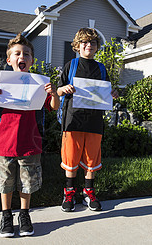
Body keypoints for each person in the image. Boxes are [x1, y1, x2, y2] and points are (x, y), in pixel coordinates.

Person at [0, 33, 60, 238]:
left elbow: (52, 107)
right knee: (5, 182)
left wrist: (54, 94)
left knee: (27, 182)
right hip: (3, 143)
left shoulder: (38, 84)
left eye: (26, 54)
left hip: (29, 143)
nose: (21, 57)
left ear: (32, 60)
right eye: (17, 53)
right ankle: (6, 216)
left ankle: (24, 215)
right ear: (9, 60)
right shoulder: (0, 85)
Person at [57, 28, 117, 212]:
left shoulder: (101, 68)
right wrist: (64, 89)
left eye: (92, 42)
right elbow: (57, 91)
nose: (88, 45)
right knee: (71, 158)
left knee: (91, 159)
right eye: (84, 42)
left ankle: (88, 192)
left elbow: (107, 92)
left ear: (97, 47)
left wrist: (112, 94)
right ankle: (69, 192)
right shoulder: (71, 65)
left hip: (94, 121)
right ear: (77, 45)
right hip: (72, 120)